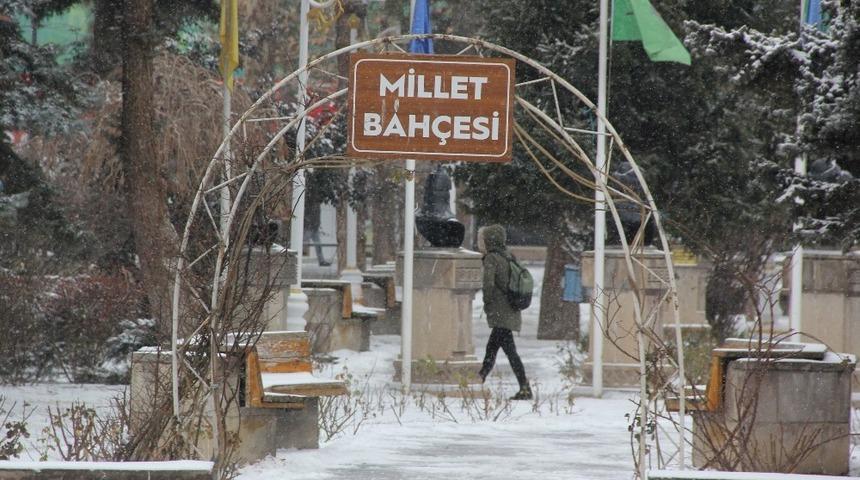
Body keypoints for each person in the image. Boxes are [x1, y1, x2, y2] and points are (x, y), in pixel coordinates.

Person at [477, 224, 532, 400]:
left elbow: (488, 284)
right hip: (511, 309)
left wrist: (487, 303)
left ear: (489, 240)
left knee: (499, 349)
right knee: (499, 349)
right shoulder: (508, 255)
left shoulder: (492, 258)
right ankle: (523, 387)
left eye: (482, 238)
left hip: (501, 311)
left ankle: (479, 380)